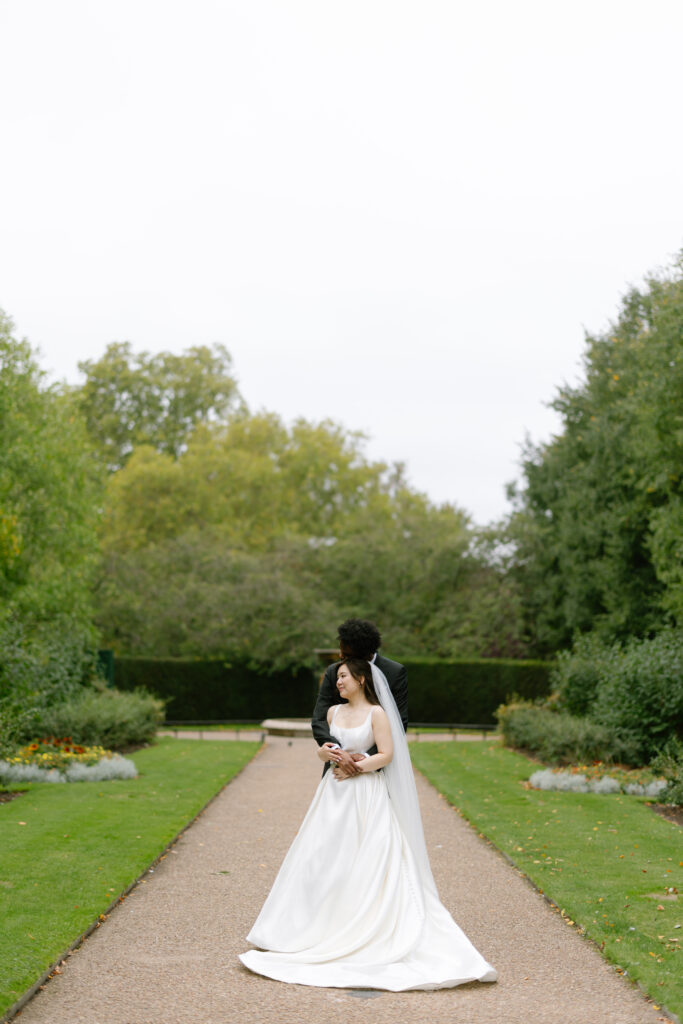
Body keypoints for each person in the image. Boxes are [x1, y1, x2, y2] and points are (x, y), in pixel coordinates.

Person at [239, 656, 497, 990]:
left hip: (365, 793)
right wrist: (327, 754)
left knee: (367, 855)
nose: (338, 682)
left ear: (361, 679)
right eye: (337, 677)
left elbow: (387, 754)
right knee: (321, 856)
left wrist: (356, 767)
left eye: (344, 676)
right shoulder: (332, 713)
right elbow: (322, 750)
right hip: (332, 794)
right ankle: (308, 928)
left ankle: (364, 924)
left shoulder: (377, 714)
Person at [311, 618, 407, 780]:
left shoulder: (394, 673)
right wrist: (338, 754)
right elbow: (319, 719)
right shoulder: (334, 671)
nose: (340, 656)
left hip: (377, 769)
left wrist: (364, 759)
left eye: (346, 655)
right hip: (337, 769)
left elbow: (399, 723)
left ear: (365, 656)